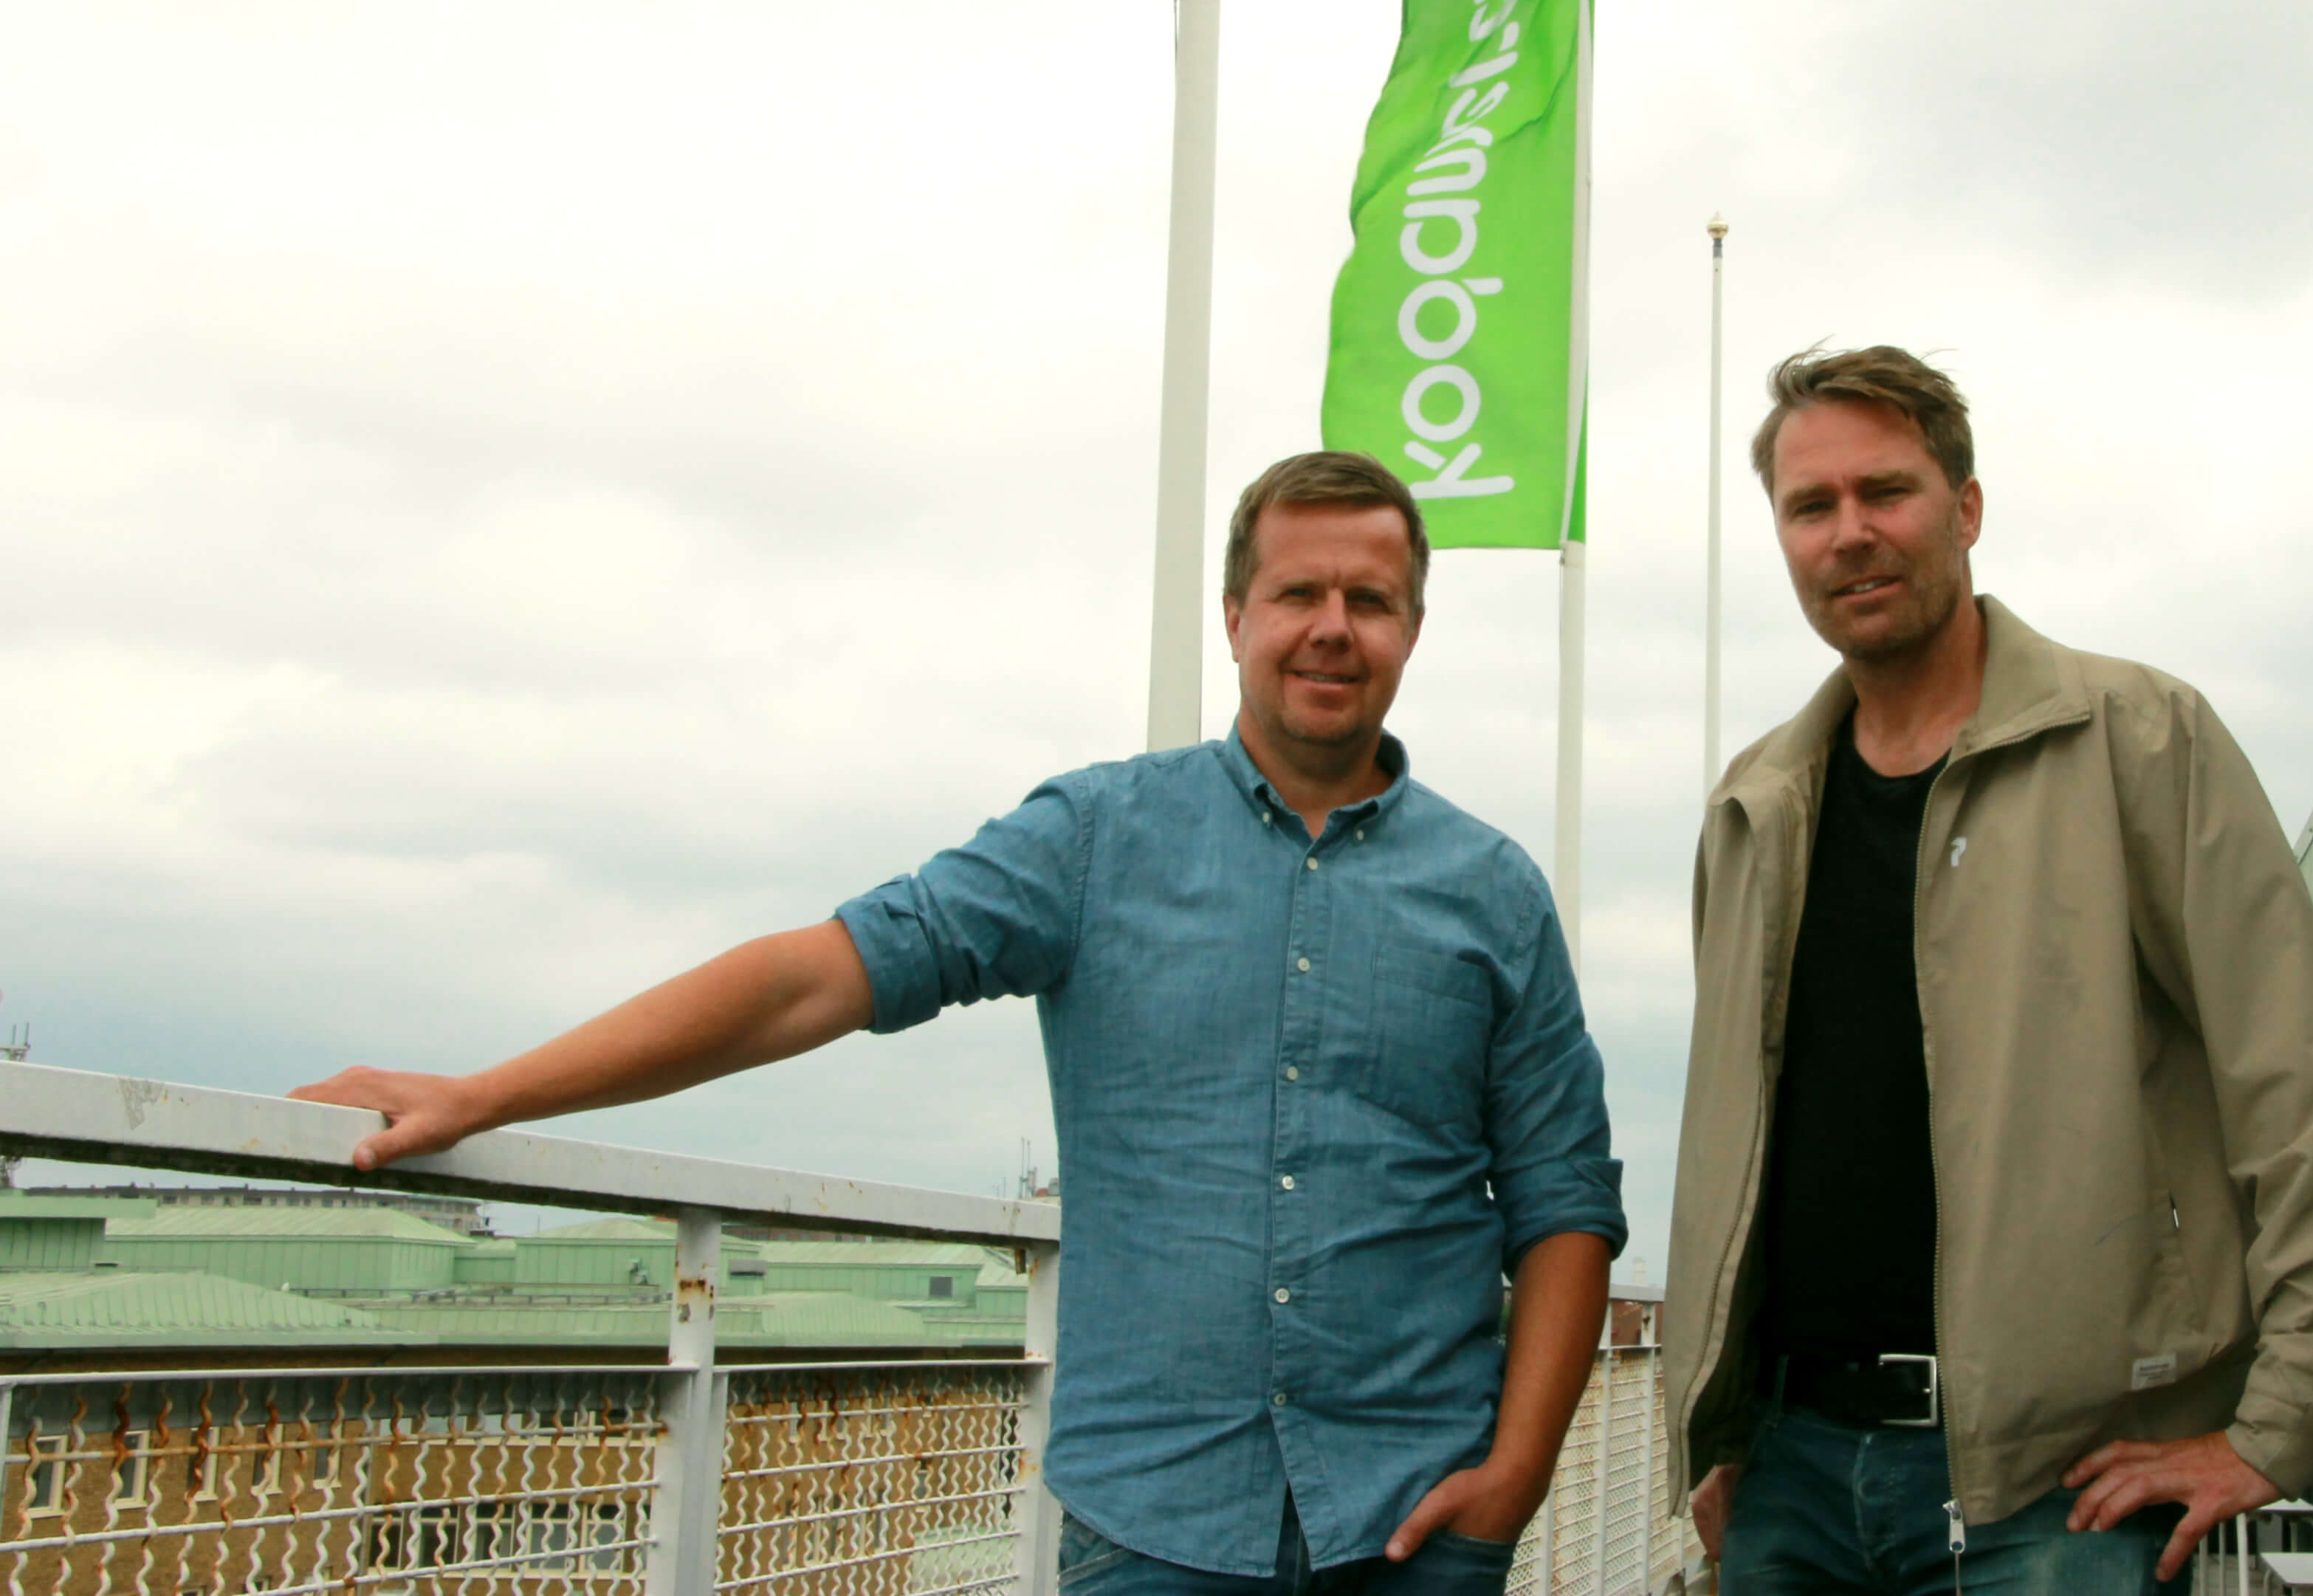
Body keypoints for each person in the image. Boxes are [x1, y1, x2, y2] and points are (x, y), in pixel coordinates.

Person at [296, 450, 1627, 1596]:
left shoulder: (1494, 894)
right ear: (1235, 616)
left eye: (1369, 600)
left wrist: (1513, 1480)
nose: (1332, 627)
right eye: (1298, 594)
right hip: (1154, 1524)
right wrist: (488, 1095)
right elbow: (815, 978)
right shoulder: (1095, 838)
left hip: (1418, 1526)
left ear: (1411, 629)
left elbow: (1563, 1200)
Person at [1663, 348, 2313, 1595]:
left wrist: (2277, 1427)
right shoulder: (1757, 804)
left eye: (1886, 492)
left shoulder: (2138, 738)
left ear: (1966, 509)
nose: (1850, 533)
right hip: (1790, 1479)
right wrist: (1726, 1422)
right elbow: (1742, 1146)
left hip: (2059, 1494)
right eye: (1811, 505)